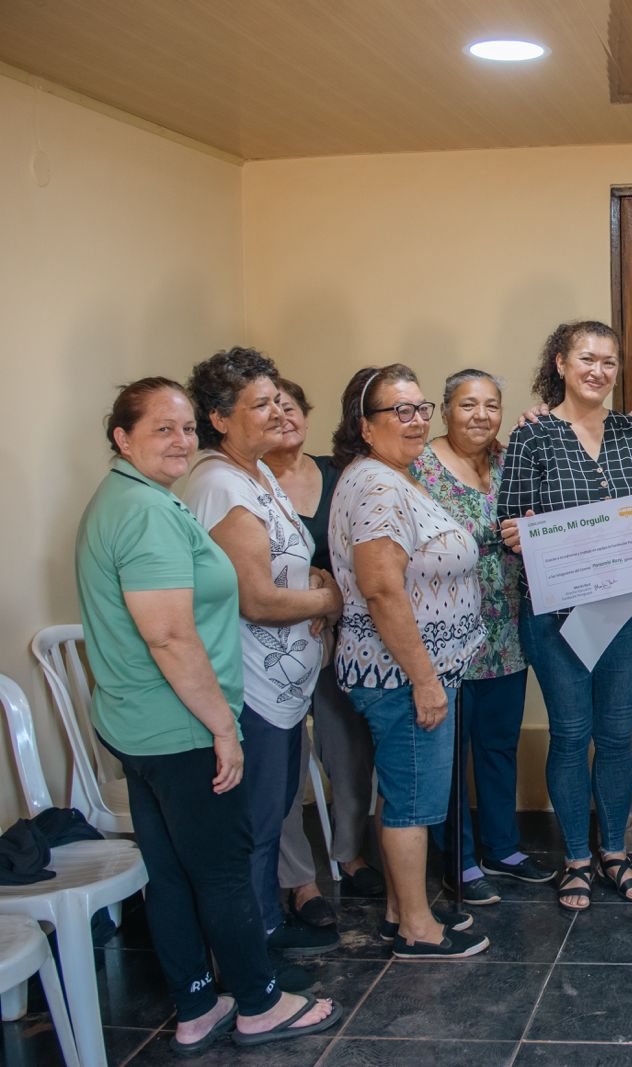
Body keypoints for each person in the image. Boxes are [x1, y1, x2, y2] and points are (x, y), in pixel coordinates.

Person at [76, 378, 340, 1053]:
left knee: (170, 872)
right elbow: (169, 635)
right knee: (222, 869)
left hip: (137, 724)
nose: (180, 440)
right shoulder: (146, 513)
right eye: (162, 428)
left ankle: (197, 1005)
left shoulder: (124, 499)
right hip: (180, 726)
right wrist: (223, 725)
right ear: (122, 436)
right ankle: (257, 1001)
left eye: (187, 427)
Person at [498, 321, 632, 912]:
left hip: (626, 613)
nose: (598, 370)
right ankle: (577, 856)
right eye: (586, 359)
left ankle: (614, 853)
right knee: (572, 735)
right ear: (561, 363)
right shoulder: (533, 436)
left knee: (617, 737)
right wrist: (519, 537)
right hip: (556, 619)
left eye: (609, 361)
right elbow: (506, 525)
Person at [182, 348, 343, 962]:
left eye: (279, 399)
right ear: (220, 418)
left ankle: (263, 936)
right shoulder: (220, 484)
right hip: (250, 685)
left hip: (283, 687)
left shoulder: (257, 473)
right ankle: (253, 961)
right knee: (253, 824)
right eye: (261, 403)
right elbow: (256, 600)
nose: (278, 410)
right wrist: (328, 598)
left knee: (272, 813)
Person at [329, 364, 488, 959]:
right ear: (365, 427)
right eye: (400, 410)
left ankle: (402, 907)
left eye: (421, 407)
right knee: (415, 798)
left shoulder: (392, 475)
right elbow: (381, 589)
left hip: (405, 671)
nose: (417, 419)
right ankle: (418, 930)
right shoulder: (377, 486)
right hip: (400, 675)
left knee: (401, 792)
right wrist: (424, 679)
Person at [414, 370, 553, 905]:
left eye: (492, 405)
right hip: (445, 637)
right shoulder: (419, 467)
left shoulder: (506, 460)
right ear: (446, 410)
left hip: (506, 632)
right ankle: (459, 859)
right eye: (468, 404)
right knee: (449, 754)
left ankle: (501, 846)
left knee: (497, 745)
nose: (481, 415)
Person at [264, 377, 386, 931]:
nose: (284, 417)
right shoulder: (249, 483)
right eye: (271, 409)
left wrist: (329, 593)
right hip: (272, 645)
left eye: (291, 407)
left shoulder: (338, 476)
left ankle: (350, 853)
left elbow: (359, 549)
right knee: (284, 764)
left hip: (336, 636)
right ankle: (300, 881)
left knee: (348, 751)